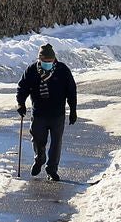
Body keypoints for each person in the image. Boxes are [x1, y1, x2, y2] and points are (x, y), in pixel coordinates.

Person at [16, 43, 78, 181]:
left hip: (57, 114)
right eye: (45, 62)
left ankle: (52, 169)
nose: (47, 64)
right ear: (40, 59)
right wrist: (21, 103)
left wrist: (73, 110)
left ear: (54, 59)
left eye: (50, 61)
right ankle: (40, 158)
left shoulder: (62, 70)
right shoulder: (32, 71)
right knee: (38, 140)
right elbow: (22, 87)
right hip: (39, 114)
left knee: (56, 143)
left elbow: (71, 91)